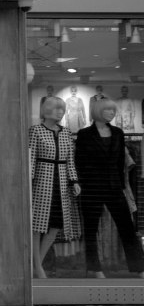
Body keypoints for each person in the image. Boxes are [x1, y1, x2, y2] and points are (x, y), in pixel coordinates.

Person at [75, 98, 144, 279]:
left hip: (114, 186)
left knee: (127, 226)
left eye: (113, 110)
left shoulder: (118, 133)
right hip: (92, 187)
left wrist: (121, 185)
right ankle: (94, 268)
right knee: (91, 229)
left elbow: (121, 161)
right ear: (98, 111)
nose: (112, 113)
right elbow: (79, 161)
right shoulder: (84, 134)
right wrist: (83, 183)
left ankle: (139, 267)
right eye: (108, 110)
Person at [29, 97, 81, 279]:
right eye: (57, 109)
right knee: (37, 225)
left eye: (62, 109)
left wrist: (74, 181)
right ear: (47, 110)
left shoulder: (66, 132)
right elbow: (31, 158)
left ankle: (37, 264)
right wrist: (29, 181)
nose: (60, 112)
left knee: (56, 225)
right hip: (42, 180)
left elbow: (70, 160)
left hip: (61, 182)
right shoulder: (36, 130)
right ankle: (38, 267)